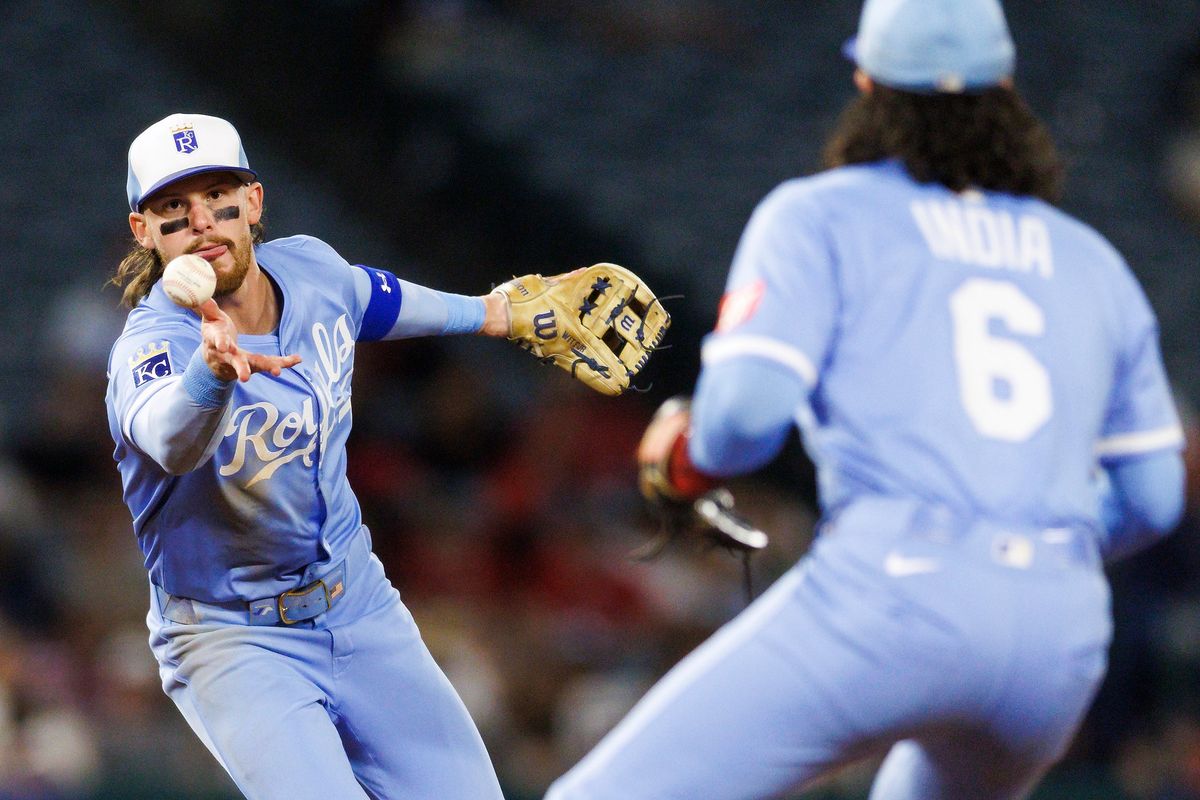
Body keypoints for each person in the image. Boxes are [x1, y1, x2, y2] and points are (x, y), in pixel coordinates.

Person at [546, 1, 1187, 798]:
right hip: (1059, 634)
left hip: (895, 589)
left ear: (867, 84)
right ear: (1009, 89)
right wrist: (1027, 540)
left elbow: (745, 420)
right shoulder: (1095, 262)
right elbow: (1155, 499)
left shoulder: (820, 215)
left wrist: (683, 458)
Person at [105, 113, 514, 798]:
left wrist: (491, 313)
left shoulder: (312, 268)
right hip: (232, 637)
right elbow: (170, 441)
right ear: (143, 232)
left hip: (359, 601)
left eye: (218, 197)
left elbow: (371, 300)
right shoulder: (151, 346)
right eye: (174, 207)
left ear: (254, 202)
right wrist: (210, 374)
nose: (202, 222)